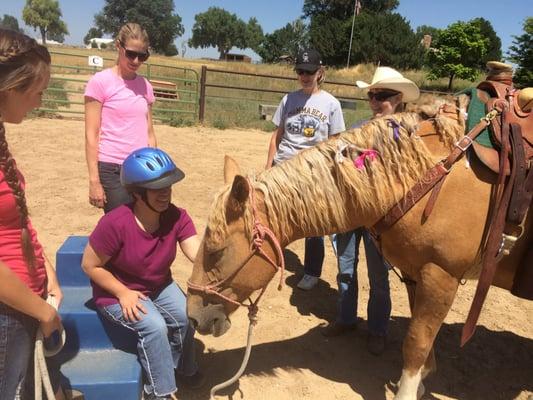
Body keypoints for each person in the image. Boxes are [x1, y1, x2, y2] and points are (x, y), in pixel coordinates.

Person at [81, 147, 203, 400]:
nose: (166, 192)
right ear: (136, 193)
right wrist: (122, 292)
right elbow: (89, 266)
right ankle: (159, 391)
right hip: (117, 290)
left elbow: (197, 253)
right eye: (157, 188)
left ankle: (181, 367)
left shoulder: (177, 216)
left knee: (186, 314)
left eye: (168, 185)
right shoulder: (115, 223)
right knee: (154, 326)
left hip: (158, 284)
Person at [322, 67, 420, 357]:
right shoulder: (361, 127)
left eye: (382, 96)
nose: (376, 102)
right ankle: (347, 318)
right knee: (346, 269)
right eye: (372, 96)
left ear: (398, 98)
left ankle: (378, 329)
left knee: (379, 277)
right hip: (352, 211)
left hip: (381, 217)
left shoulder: (408, 133)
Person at [0, 29, 64, 399]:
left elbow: (14, 222)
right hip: (9, 312)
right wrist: (41, 310)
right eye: (37, 92)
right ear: (10, 89)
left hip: (22, 300)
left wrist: (46, 272)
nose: (39, 102)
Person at [266, 48, 346, 291]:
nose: (304, 76)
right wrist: (269, 166)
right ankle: (270, 260)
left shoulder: (331, 103)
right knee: (275, 215)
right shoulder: (288, 100)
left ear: (319, 72)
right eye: (300, 71)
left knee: (313, 224)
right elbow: (276, 136)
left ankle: (311, 271)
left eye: (309, 72)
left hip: (313, 171)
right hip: (284, 167)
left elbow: (335, 142)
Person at [85, 22, 157, 213]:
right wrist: (94, 181)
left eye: (142, 56)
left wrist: (155, 168)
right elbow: (91, 134)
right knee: (121, 225)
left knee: (145, 223)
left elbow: (149, 131)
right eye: (131, 54)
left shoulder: (145, 86)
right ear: (118, 46)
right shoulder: (100, 82)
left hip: (142, 167)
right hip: (113, 169)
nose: (135, 61)